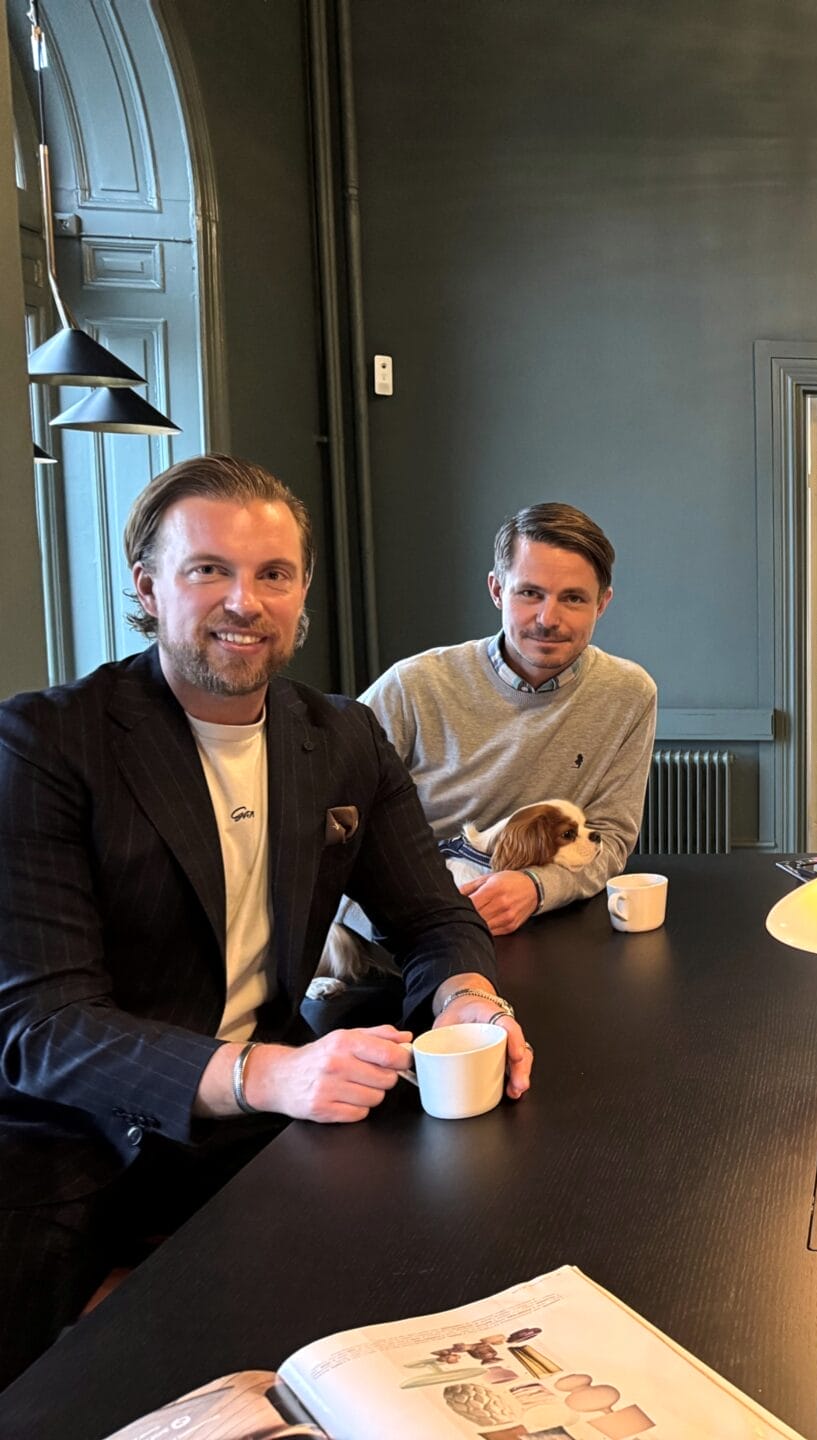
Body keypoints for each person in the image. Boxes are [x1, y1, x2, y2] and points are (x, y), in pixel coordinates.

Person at [0, 455, 531, 1390]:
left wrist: (468, 1000)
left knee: (447, 1278)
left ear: (301, 594)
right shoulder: (43, 742)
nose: (245, 601)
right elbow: (44, 1026)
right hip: (67, 1133)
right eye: (210, 569)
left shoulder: (343, 736)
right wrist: (266, 1072)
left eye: (273, 574)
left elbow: (429, 914)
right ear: (148, 588)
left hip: (256, 1123)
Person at [352, 503, 657, 937]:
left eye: (573, 598)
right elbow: (333, 806)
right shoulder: (413, 684)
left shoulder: (628, 694)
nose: (548, 619)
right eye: (530, 593)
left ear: (602, 604)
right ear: (497, 590)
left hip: (542, 923)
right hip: (409, 925)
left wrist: (536, 886)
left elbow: (610, 837)